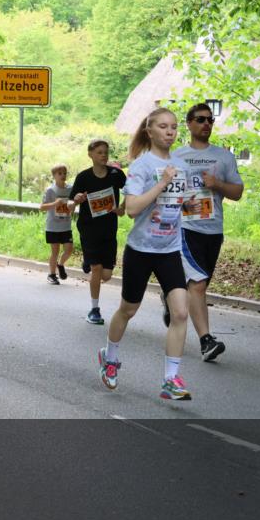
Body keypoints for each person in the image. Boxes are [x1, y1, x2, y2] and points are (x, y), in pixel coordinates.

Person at [97, 107, 200, 401]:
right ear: (150, 131)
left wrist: (186, 206)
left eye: (174, 127)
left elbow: (177, 202)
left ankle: (171, 380)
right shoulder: (141, 166)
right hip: (141, 250)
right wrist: (163, 183)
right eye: (164, 127)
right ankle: (110, 356)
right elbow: (131, 209)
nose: (170, 132)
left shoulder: (180, 163)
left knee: (180, 312)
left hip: (169, 249)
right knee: (128, 310)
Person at [173, 103, 245, 362]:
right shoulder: (177, 157)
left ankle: (171, 295)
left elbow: (237, 192)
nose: (206, 124)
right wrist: (181, 203)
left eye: (210, 120)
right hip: (186, 228)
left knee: (198, 285)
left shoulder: (224, 157)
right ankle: (206, 342)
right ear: (189, 124)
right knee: (199, 285)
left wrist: (218, 184)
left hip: (213, 230)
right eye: (201, 119)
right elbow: (166, 193)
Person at [70, 140, 127, 324]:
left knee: (106, 275)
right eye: (100, 152)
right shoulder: (83, 177)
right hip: (89, 229)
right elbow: (70, 204)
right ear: (91, 155)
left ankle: (88, 262)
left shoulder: (116, 174)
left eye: (106, 152)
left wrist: (122, 208)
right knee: (96, 269)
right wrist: (77, 200)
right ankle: (94, 309)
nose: (104, 155)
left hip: (109, 230)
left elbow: (133, 190)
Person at [40, 164, 74, 286]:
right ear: (54, 176)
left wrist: (72, 206)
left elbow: (73, 202)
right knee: (55, 251)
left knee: (69, 249)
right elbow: (42, 207)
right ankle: (52, 275)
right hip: (53, 226)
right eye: (60, 173)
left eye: (65, 173)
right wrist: (55, 203)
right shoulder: (50, 190)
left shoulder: (70, 188)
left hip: (66, 225)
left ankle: (60, 264)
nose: (63, 175)